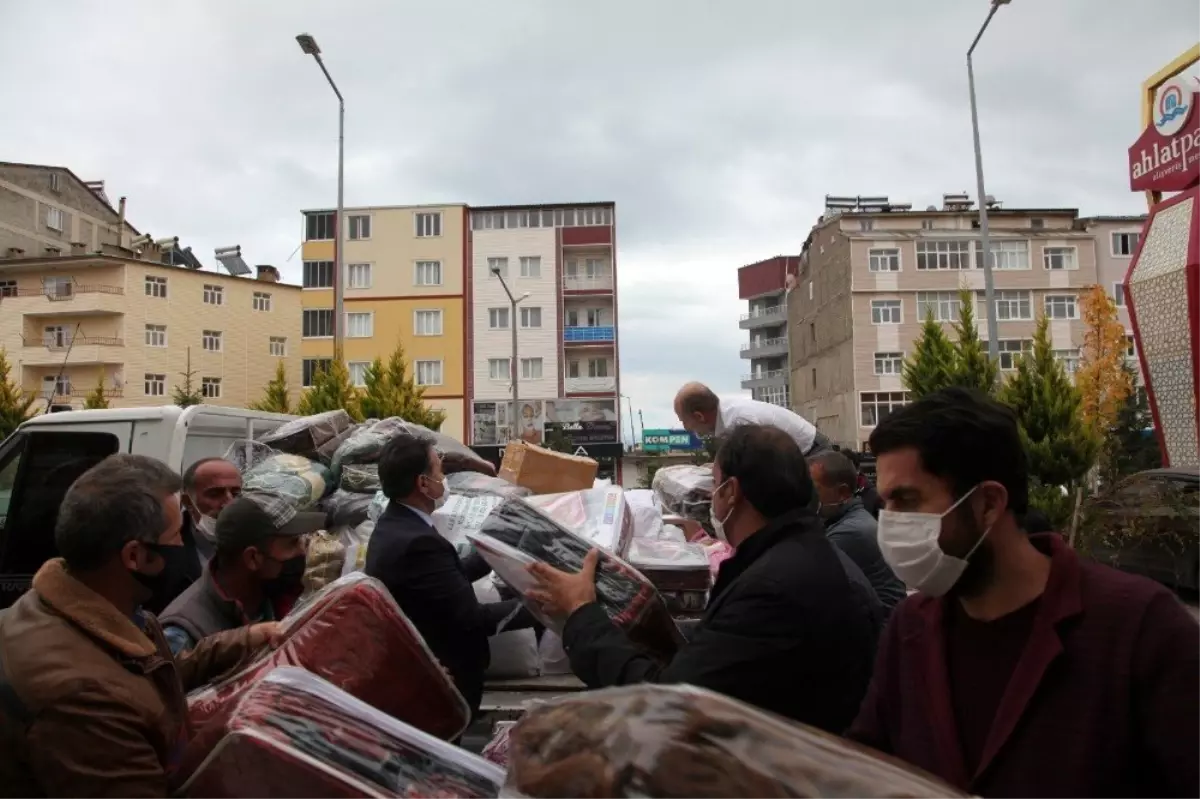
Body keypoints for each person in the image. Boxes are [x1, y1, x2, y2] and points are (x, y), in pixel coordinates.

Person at [847, 387, 1200, 798]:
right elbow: (867, 765)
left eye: (907, 500)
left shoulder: (1138, 628)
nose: (889, 523)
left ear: (988, 505)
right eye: (885, 502)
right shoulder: (911, 628)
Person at [528, 424, 882, 732]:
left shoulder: (774, 587)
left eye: (713, 484)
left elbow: (670, 705)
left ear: (730, 492)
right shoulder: (799, 556)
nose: (711, 498)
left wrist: (582, 613)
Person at [0, 454, 278, 798]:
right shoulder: (83, 699)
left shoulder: (99, 609)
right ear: (135, 556)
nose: (186, 546)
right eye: (178, 536)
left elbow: (157, 674)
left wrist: (248, 637)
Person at [365, 435, 533, 719]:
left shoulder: (397, 526)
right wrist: (540, 605)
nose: (444, 479)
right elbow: (471, 620)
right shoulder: (416, 541)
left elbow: (446, 582)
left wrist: (497, 545)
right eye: (439, 471)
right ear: (422, 484)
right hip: (443, 685)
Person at [159, 492, 323, 655]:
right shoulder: (182, 634)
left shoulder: (272, 595)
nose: (303, 550)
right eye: (292, 543)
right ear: (253, 558)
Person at [808, 450, 906, 614]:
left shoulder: (850, 533)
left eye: (813, 490)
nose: (808, 498)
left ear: (842, 493)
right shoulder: (845, 522)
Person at [674, 381, 832, 456]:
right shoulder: (727, 416)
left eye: (683, 420)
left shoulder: (740, 422)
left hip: (813, 451)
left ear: (699, 416)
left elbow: (760, 466)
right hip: (802, 452)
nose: (686, 428)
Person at [181, 457, 243, 561]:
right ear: (188, 502)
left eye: (236, 494)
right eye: (215, 494)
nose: (230, 503)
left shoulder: (262, 544)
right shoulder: (167, 550)